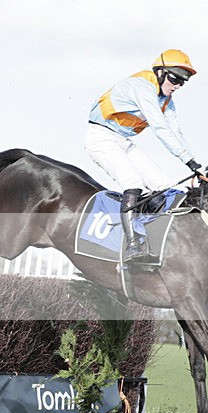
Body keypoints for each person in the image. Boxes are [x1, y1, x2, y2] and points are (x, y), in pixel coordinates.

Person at [85, 49, 205, 261]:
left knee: (165, 186)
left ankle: (153, 236)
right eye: (175, 78)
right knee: (133, 183)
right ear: (160, 72)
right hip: (100, 138)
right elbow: (160, 128)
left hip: (123, 142)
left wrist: (196, 166)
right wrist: (189, 162)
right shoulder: (142, 87)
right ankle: (132, 244)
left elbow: (176, 132)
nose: (177, 85)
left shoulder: (167, 101)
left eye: (183, 82)